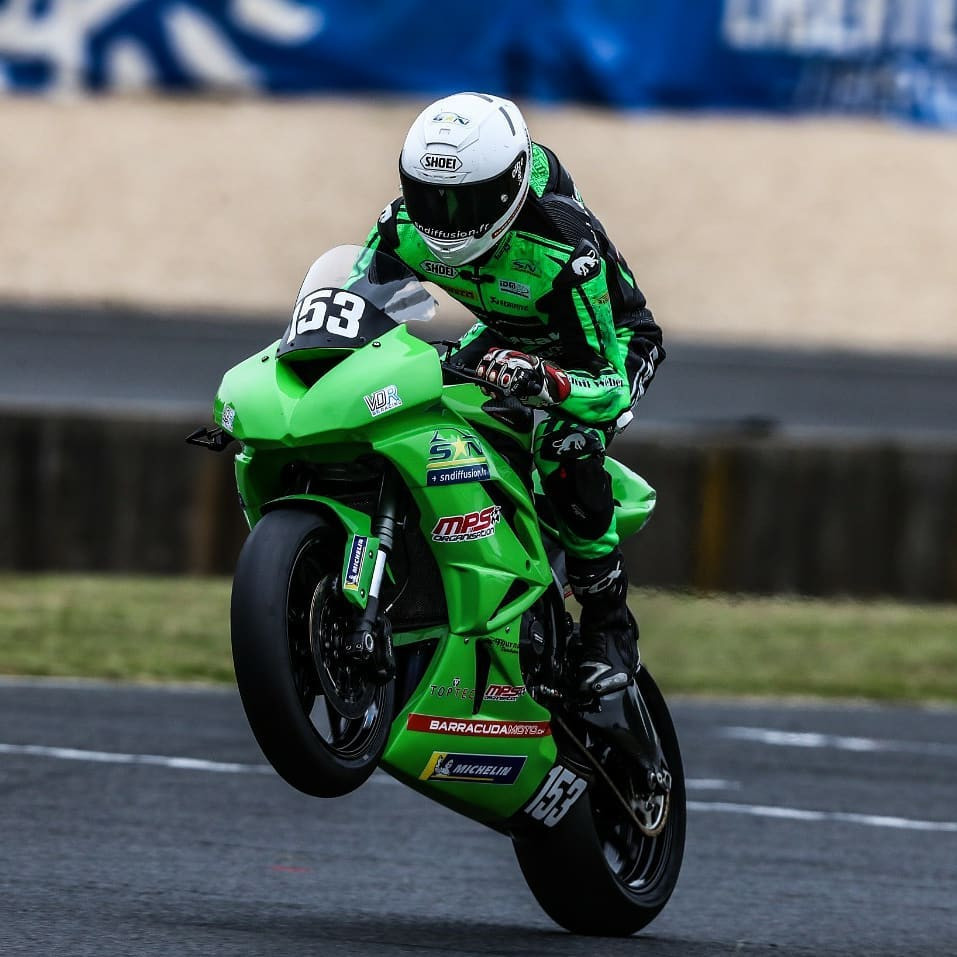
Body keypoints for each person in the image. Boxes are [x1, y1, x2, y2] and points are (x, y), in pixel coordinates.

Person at [363, 91, 664, 698]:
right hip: (502, 335)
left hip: (607, 349)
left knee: (564, 440)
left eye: (465, 202)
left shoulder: (563, 252)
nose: (445, 219)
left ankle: (609, 624)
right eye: (430, 197)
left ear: (509, 189)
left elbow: (604, 385)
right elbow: (356, 303)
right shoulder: (402, 229)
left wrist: (547, 381)